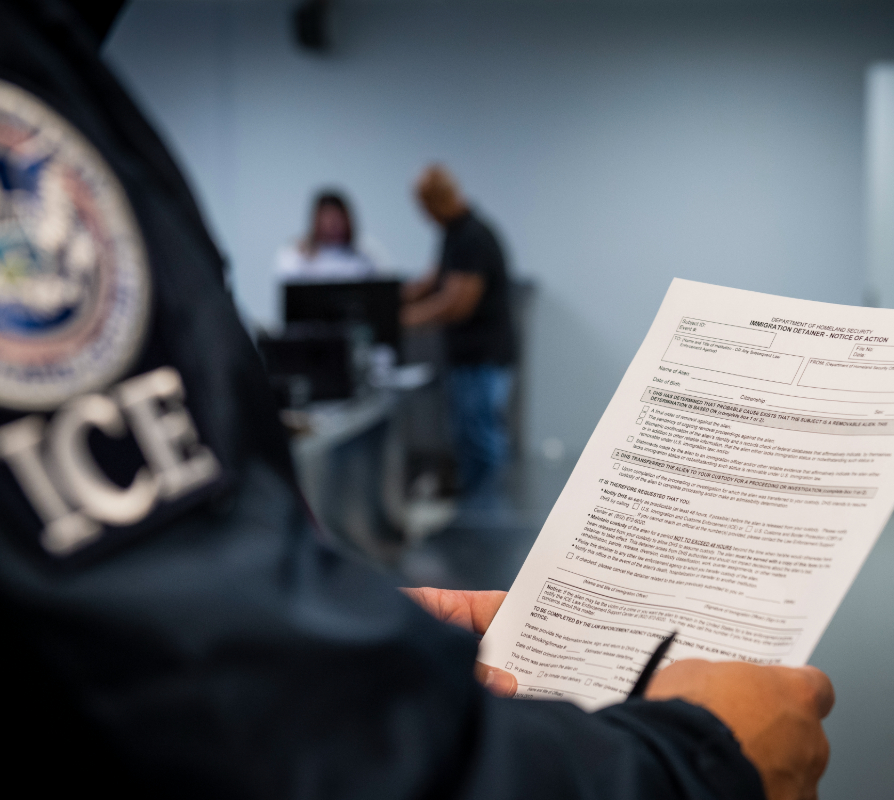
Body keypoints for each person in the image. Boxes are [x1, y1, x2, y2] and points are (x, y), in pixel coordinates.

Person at [1, 2, 836, 799]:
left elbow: (143, 648)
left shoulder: (470, 234)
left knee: (479, 453)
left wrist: (347, 628)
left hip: (479, 359)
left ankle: (478, 523)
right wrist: (695, 767)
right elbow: (229, 697)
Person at [403, 165, 518, 496]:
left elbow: (456, 304)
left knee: (482, 445)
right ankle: (476, 513)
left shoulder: (473, 236)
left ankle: (489, 521)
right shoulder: (453, 234)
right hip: (467, 359)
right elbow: (433, 280)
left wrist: (406, 319)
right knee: (467, 442)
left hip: (484, 358)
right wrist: (388, 298)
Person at [276, 190, 384, 281]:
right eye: (328, 220)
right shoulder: (296, 256)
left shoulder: (363, 257)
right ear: (317, 221)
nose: (333, 226)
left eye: (338, 219)